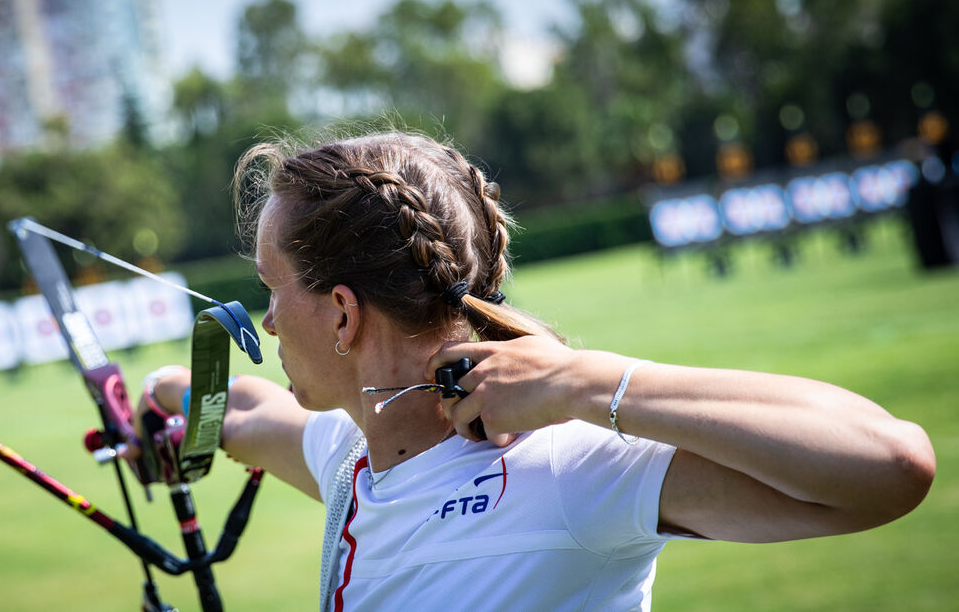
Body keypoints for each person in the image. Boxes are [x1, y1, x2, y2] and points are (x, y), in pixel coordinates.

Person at [137, 129, 935, 612]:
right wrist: (156, 399)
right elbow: (240, 411)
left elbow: (888, 462)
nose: (267, 320)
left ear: (343, 315)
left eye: (274, 290)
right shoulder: (351, 454)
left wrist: (583, 382)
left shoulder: (567, 467)